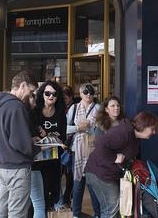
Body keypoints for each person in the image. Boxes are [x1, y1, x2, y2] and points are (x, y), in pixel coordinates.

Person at [86, 111, 158, 217]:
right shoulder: (124, 132)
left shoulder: (133, 136)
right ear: (144, 126)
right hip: (100, 173)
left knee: (112, 209)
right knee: (111, 209)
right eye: (152, 129)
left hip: (108, 174)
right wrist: (114, 157)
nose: (154, 132)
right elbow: (99, 144)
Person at [0, 70, 39, 218]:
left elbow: (8, 135)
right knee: (17, 213)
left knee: (2, 210)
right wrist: (37, 147)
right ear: (22, 85)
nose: (30, 96)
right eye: (30, 92)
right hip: (17, 168)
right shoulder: (16, 107)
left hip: (3, 166)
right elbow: (21, 143)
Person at [30, 80, 67, 217]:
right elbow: (30, 133)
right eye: (47, 93)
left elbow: (63, 135)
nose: (51, 96)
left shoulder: (60, 112)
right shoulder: (35, 112)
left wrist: (58, 141)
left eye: (54, 94)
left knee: (54, 190)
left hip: (54, 158)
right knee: (40, 194)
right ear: (42, 95)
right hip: (38, 159)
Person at [67, 83, 101, 218]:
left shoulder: (99, 108)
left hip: (94, 151)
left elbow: (102, 129)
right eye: (86, 92)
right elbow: (65, 129)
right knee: (78, 184)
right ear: (80, 94)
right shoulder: (74, 108)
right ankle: (76, 214)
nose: (89, 95)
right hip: (77, 151)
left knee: (93, 184)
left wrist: (90, 128)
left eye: (91, 92)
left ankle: (98, 214)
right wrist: (78, 128)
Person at [60, 85, 76, 207]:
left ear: (71, 97)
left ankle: (66, 199)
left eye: (65, 98)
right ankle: (62, 200)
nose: (64, 100)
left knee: (69, 175)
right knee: (60, 175)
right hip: (61, 145)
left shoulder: (74, 109)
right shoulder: (60, 108)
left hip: (69, 146)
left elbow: (65, 128)